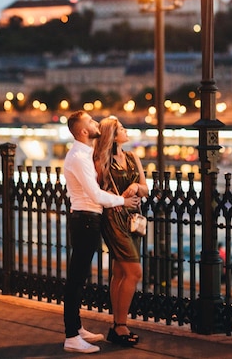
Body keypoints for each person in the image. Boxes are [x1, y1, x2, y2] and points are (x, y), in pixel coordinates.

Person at [63, 110, 140, 354]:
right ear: (83, 131)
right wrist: (123, 201)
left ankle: (77, 329)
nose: (96, 123)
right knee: (76, 279)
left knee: (80, 276)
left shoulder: (85, 154)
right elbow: (95, 195)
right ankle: (72, 336)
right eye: (91, 122)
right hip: (85, 219)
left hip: (89, 219)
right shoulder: (79, 157)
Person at [93, 116, 148, 347]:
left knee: (120, 272)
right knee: (134, 272)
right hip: (113, 218)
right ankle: (121, 325)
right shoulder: (101, 160)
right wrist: (120, 198)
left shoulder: (133, 157)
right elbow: (97, 192)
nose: (126, 131)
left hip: (132, 220)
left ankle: (117, 325)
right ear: (113, 136)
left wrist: (136, 187)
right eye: (122, 128)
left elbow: (145, 189)